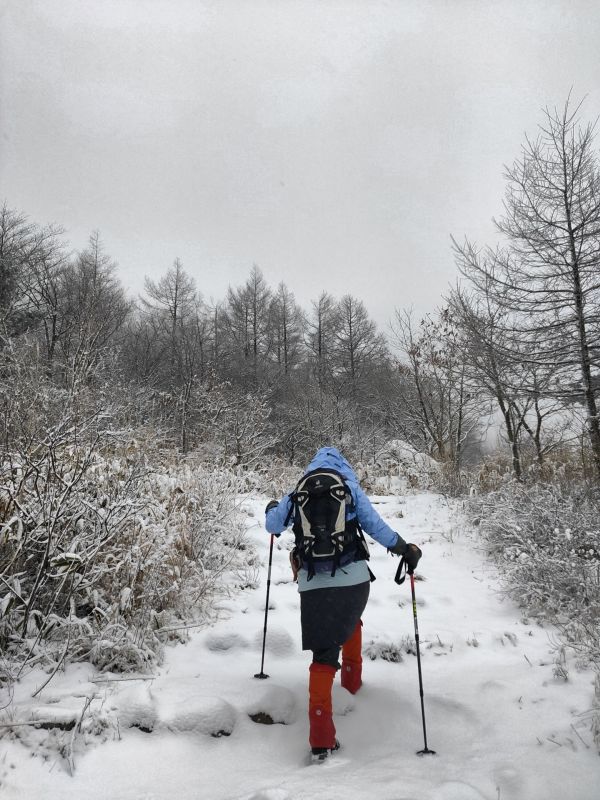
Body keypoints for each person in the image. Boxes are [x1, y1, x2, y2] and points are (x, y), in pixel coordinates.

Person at [265, 446, 422, 760]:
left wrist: (272, 508)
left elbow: (273, 526)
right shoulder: (348, 487)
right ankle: (351, 684)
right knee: (348, 620)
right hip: (354, 581)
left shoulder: (298, 490)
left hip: (312, 585)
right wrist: (406, 549)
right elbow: (377, 528)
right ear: (343, 465)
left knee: (324, 652)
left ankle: (321, 737)